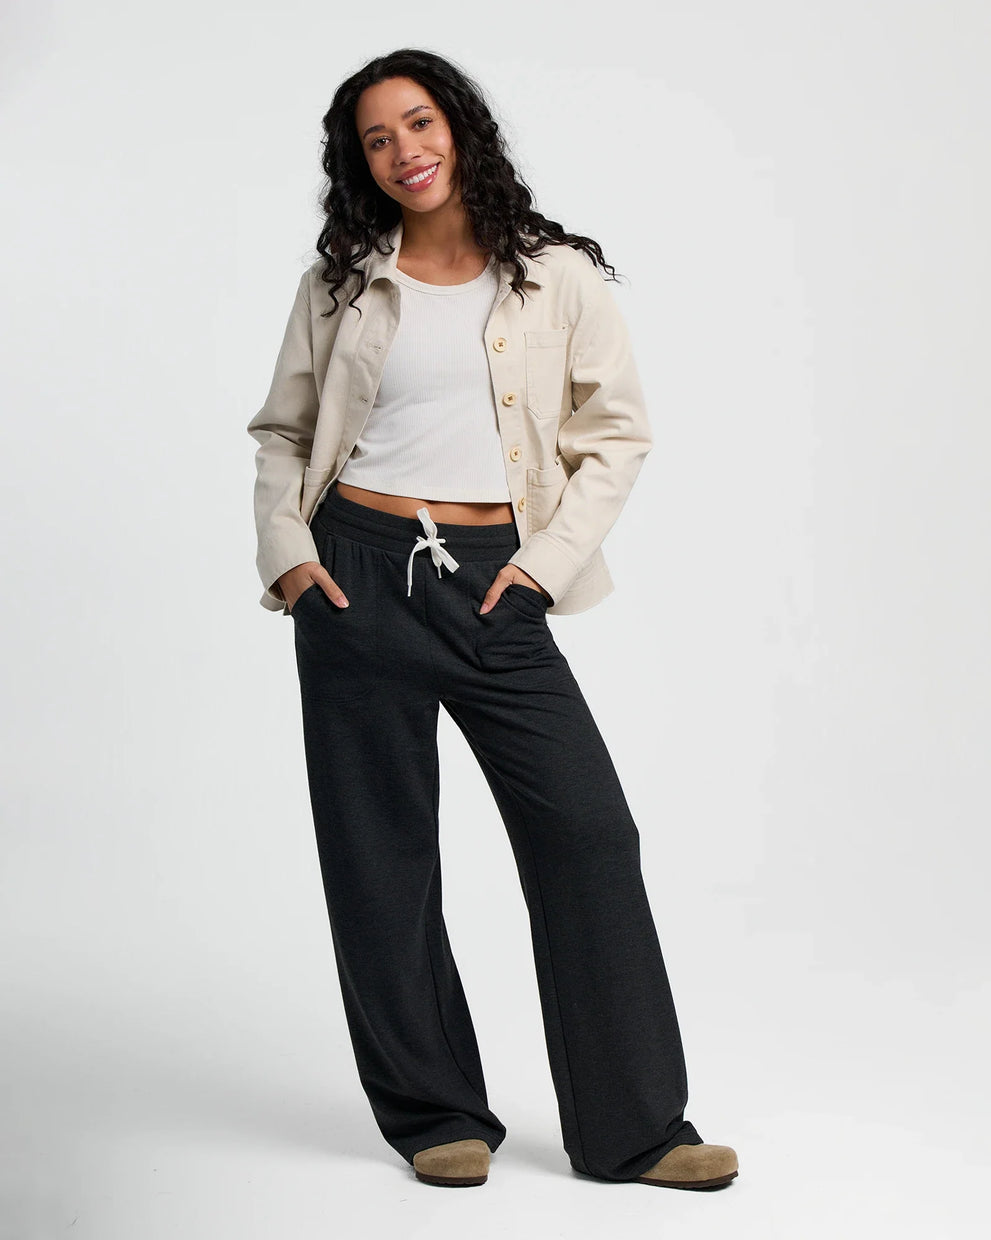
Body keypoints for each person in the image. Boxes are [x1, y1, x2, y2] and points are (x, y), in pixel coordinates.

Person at [246, 47, 738, 1192]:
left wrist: (542, 568)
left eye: (418, 123)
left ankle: (634, 1128)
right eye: (376, 138)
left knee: (587, 834)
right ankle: (432, 1112)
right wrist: (291, 558)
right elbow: (283, 433)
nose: (403, 151)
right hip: (353, 572)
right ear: (358, 162)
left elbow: (615, 436)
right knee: (380, 855)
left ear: (459, 126)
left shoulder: (554, 276)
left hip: (492, 582)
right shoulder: (341, 280)